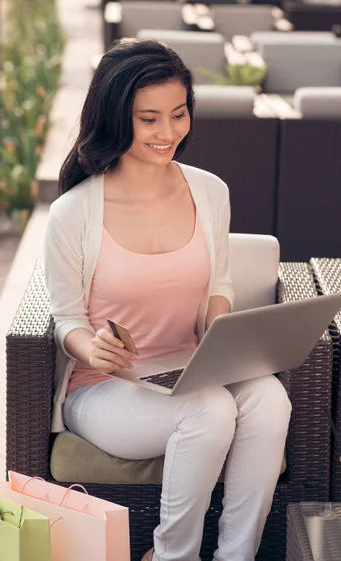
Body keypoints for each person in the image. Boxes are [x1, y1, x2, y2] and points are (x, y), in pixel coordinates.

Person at [44, 38, 292, 561]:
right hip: (106, 389)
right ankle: (171, 555)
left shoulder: (209, 191)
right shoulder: (74, 212)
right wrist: (91, 349)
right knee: (209, 409)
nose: (168, 133)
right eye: (148, 119)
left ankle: (235, 555)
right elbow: (66, 318)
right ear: (115, 118)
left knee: (270, 399)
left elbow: (217, 284)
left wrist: (218, 327)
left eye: (178, 115)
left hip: (189, 367)